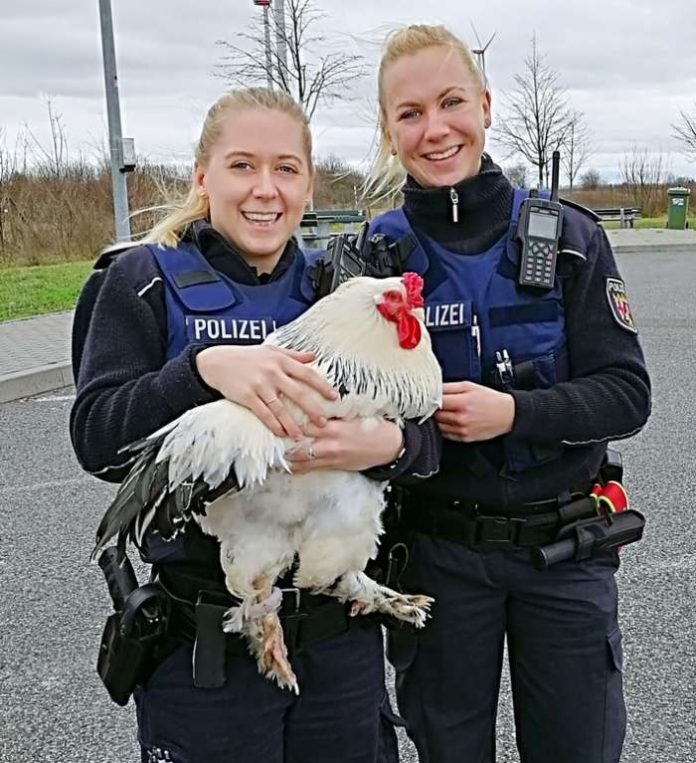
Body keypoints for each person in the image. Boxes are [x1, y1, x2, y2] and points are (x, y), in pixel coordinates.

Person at [70, 87, 439, 763]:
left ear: (307, 184)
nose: (264, 189)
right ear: (201, 176)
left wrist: (394, 445)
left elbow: (424, 435)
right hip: (203, 648)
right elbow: (98, 437)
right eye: (242, 165)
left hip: (337, 645)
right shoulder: (142, 281)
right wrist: (202, 367)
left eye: (286, 169)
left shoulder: (345, 287)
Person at [364, 25, 651, 763]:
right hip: (436, 556)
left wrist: (516, 413)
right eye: (410, 113)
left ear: (486, 106)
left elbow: (627, 394)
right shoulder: (368, 258)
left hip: (564, 552)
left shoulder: (571, 239)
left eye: (452, 101)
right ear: (390, 131)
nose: (435, 129)